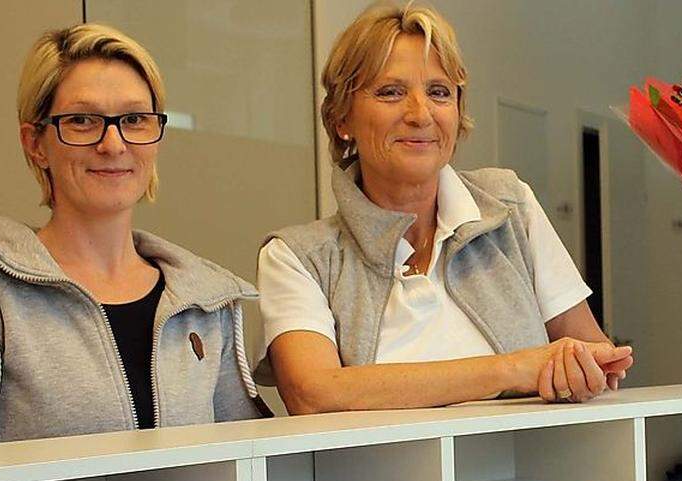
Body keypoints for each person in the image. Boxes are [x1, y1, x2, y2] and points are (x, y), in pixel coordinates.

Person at [0, 23, 268, 452]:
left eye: (135, 119)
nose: (113, 143)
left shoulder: (205, 305)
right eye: (82, 121)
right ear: (36, 144)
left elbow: (249, 470)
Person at [257, 2, 632, 415]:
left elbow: (595, 352)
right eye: (390, 92)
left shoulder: (511, 206)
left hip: (535, 472)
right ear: (342, 118)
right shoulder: (297, 257)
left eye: (438, 92)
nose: (420, 115)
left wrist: (584, 368)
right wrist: (512, 369)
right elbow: (314, 394)